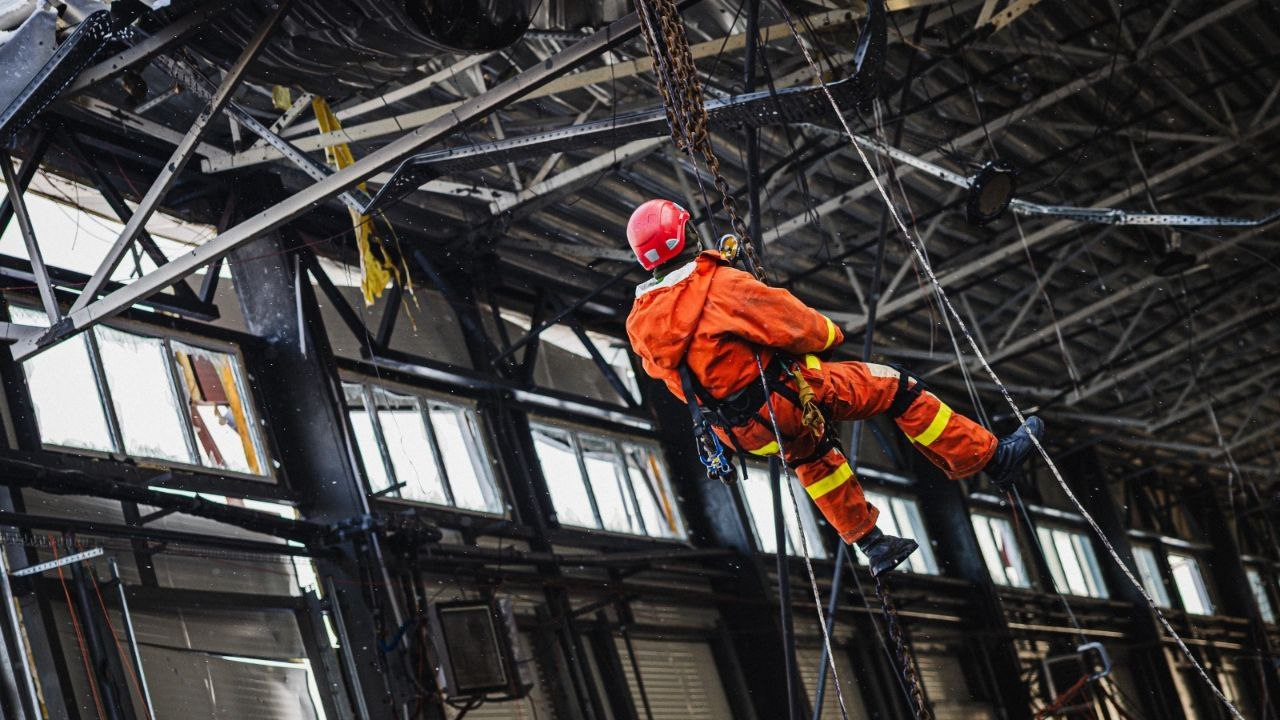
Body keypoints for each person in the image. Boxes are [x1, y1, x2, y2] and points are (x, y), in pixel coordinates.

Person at [624, 199, 1044, 576]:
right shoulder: (719, 285)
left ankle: (873, 545)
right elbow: (803, 327)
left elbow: (685, 384)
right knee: (898, 387)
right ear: (688, 234)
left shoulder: (641, 324)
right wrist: (828, 336)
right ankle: (990, 459)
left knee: (814, 456)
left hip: (737, 434)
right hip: (784, 402)